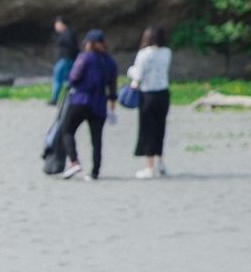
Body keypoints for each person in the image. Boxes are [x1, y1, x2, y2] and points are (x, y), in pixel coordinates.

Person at [59, 29, 118, 180]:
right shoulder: (110, 62)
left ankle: (74, 161)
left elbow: (74, 77)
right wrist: (112, 108)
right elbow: (112, 88)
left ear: (89, 43)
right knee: (96, 140)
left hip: (81, 100)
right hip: (99, 104)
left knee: (67, 130)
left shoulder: (85, 57)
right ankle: (95, 172)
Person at [128, 25, 172, 179]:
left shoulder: (143, 54)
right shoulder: (167, 52)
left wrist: (130, 70)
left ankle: (149, 166)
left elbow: (138, 75)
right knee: (160, 128)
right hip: (163, 94)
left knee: (147, 130)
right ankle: (160, 162)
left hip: (148, 94)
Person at [49, 17, 79, 106]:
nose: (56, 26)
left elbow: (72, 48)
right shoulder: (68, 33)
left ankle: (54, 99)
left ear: (63, 24)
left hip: (65, 60)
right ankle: (72, 98)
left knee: (58, 79)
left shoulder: (67, 33)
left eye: (57, 24)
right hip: (68, 60)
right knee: (70, 80)